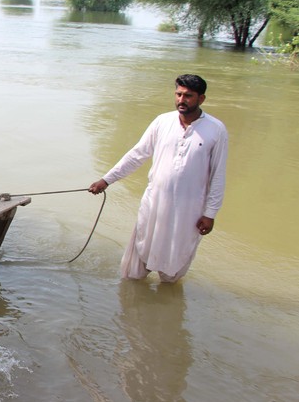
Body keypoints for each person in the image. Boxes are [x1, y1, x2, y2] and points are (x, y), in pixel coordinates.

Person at [88, 74, 228, 283]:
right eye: (178, 94)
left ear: (201, 99)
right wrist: (107, 179)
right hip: (155, 202)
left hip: (189, 209)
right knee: (136, 263)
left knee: (174, 266)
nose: (182, 100)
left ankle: (166, 301)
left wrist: (210, 213)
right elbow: (137, 155)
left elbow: (218, 174)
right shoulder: (162, 122)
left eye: (188, 96)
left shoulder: (216, 130)